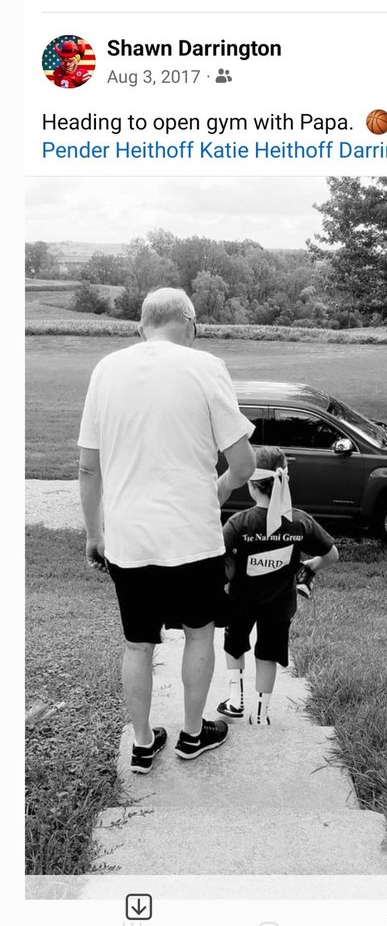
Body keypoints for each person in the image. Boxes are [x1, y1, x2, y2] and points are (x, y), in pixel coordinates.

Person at [78, 287, 255, 773]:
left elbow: (89, 469)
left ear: (141, 326)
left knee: (138, 643)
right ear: (191, 323)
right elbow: (243, 463)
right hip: (191, 536)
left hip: (129, 537)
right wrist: (213, 492)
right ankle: (193, 736)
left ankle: (141, 744)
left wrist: (94, 534)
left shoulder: (106, 370)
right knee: (199, 635)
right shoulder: (205, 367)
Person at [217, 446, 339, 726]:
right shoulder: (299, 521)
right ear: (284, 481)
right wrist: (310, 567)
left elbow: (218, 558)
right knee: (267, 654)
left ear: (250, 484)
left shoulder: (239, 523)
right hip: (280, 604)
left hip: (240, 602)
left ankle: (235, 701)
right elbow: (332, 555)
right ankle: (260, 715)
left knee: (234, 646)